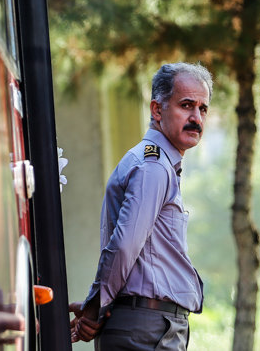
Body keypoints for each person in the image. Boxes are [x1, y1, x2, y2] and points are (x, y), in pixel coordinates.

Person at [69, 62, 210, 350]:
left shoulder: (156, 164)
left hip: (146, 325)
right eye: (186, 105)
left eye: (203, 108)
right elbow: (124, 246)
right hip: (148, 330)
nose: (196, 117)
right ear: (157, 110)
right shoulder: (153, 167)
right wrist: (95, 309)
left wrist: (96, 303)